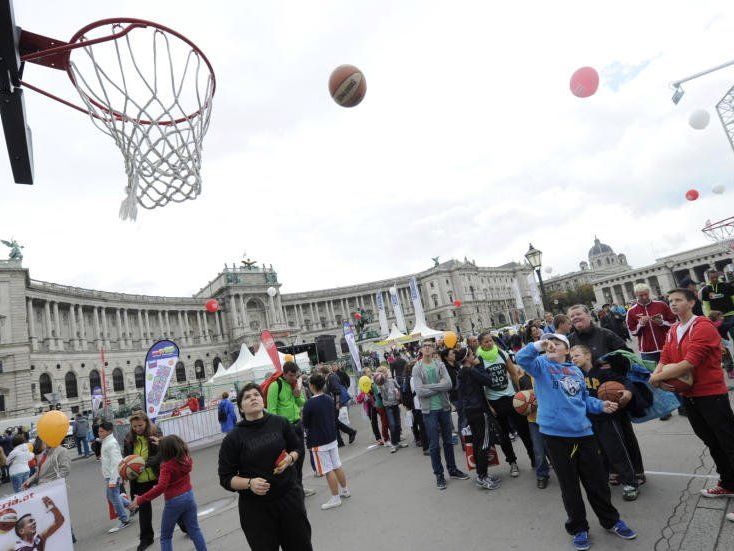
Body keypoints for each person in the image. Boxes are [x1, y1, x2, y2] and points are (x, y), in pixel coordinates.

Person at [516, 334, 637, 550]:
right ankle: (579, 528)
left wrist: (601, 405)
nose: (551, 345)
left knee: (597, 483)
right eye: (548, 342)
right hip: (556, 437)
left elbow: (583, 400)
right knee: (569, 486)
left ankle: (611, 520)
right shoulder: (541, 365)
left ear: (566, 350)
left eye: (557, 343)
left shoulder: (575, 371)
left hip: (583, 434)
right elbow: (522, 359)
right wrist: (538, 345)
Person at [651, 288, 734, 499]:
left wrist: (656, 379)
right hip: (689, 396)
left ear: (691, 302)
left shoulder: (702, 326)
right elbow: (665, 356)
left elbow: (689, 362)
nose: (673, 304)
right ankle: (728, 483)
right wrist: (658, 374)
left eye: (678, 300)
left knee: (728, 441)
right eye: (670, 301)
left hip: (711, 394)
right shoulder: (674, 329)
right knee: (712, 441)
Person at [218, 382, 313, 550]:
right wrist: (249, 483)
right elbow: (226, 477)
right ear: (240, 408)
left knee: (301, 546)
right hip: (256, 510)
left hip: (289, 498)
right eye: (247, 397)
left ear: (263, 400)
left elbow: (297, 447)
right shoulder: (233, 438)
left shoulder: (280, 422)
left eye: (256, 395)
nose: (253, 398)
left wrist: (290, 459)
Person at [571, 345, 644, 501]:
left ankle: (631, 483)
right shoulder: (575, 375)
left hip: (607, 418)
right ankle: (610, 476)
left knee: (616, 449)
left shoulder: (603, 371)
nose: (573, 359)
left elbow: (624, 381)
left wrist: (627, 391)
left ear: (588, 355)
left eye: (577, 355)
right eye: (571, 357)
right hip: (588, 420)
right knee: (599, 452)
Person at [128, 435, 207, 551]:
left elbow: (160, 487)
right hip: (189, 497)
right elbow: (173, 444)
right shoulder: (185, 458)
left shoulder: (166, 466)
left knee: (165, 537)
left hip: (174, 501)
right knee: (194, 530)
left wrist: (140, 499)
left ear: (164, 450)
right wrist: (162, 441)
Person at [123, 412, 187, 550]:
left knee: (172, 502)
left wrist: (154, 460)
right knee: (144, 507)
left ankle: (185, 525)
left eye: (140, 425)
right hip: (140, 478)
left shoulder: (155, 432)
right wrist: (125, 472)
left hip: (158, 473)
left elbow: (164, 450)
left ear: (146, 422)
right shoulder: (128, 438)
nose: (137, 428)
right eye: (134, 426)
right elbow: (126, 457)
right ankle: (146, 538)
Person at [475, 331, 534, 478]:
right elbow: (481, 386)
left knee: (523, 430)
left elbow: (513, 373)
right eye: (486, 342)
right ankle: (512, 462)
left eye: (491, 341)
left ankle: (534, 458)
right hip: (494, 401)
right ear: (480, 344)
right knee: (503, 436)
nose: (489, 344)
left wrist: (519, 392)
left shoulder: (501, 354)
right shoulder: (479, 359)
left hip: (511, 398)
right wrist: (489, 406)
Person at [412, 340, 469, 490]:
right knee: (434, 445)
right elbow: (419, 391)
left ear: (433, 349)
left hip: (443, 407)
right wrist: (439, 387)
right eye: (424, 346)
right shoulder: (417, 368)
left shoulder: (440, 364)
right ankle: (439, 475)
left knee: (449, 441)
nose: (427, 348)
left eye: (430, 346)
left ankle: (453, 469)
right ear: (421, 350)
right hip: (429, 410)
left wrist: (429, 386)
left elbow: (449, 384)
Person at [625, 283, 682, 419]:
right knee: (654, 381)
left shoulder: (661, 305)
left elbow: (674, 323)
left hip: (665, 347)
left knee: (673, 377)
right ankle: (665, 410)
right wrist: (641, 324)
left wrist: (662, 323)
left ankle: (682, 406)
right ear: (636, 296)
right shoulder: (631, 311)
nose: (644, 297)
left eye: (646, 294)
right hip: (647, 350)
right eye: (641, 295)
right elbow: (632, 331)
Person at [302, 374, 351, 510]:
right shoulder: (329, 399)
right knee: (337, 465)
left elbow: (305, 423)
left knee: (328, 469)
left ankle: (335, 497)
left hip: (318, 441)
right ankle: (345, 490)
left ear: (311, 386)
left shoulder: (309, 404)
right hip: (331, 437)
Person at [267, 361, 316, 497]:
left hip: (297, 425)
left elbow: (302, 403)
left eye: (295, 375)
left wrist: (297, 393)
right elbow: (271, 410)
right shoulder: (275, 386)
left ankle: (299, 487)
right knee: (289, 462)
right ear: (285, 373)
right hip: (284, 428)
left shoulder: (294, 384)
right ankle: (292, 490)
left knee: (299, 458)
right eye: (291, 375)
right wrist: (277, 431)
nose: (294, 378)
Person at [456, 347, 502, 490]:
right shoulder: (471, 370)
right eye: (472, 354)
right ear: (468, 358)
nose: (475, 356)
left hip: (470, 411)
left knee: (477, 442)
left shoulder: (461, 373)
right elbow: (489, 381)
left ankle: (482, 474)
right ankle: (482, 477)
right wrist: (479, 365)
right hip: (479, 410)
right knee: (484, 443)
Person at [99, 420, 132, 533]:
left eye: (102, 431)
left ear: (109, 431)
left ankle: (124, 519)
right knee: (112, 496)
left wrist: (113, 479)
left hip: (113, 475)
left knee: (114, 496)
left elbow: (116, 462)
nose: (100, 433)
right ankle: (131, 506)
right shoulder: (107, 441)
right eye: (99, 431)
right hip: (110, 475)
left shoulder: (111, 443)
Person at [375, 367, 407, 453]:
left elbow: (399, 388)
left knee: (397, 424)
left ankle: (398, 442)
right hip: (388, 407)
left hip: (395, 405)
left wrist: (398, 394)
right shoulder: (379, 384)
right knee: (392, 425)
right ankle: (393, 444)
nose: (384, 374)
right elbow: (378, 394)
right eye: (381, 373)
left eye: (385, 372)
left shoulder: (392, 381)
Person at [700, 269, 734, 341]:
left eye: (716, 277)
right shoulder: (706, 289)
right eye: (712, 278)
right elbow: (706, 304)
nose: (714, 279)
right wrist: (708, 316)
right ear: (708, 278)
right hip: (716, 317)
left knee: (733, 332)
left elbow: (733, 297)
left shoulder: (727, 285)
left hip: (730, 313)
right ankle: (727, 351)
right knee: (722, 338)